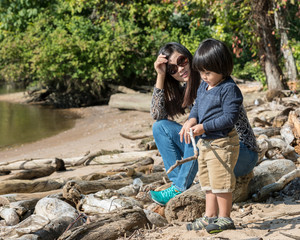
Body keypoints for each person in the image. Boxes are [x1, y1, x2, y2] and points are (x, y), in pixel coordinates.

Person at [149, 42, 258, 207]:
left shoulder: (215, 82)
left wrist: (193, 123)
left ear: (189, 57)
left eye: (182, 61)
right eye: (172, 69)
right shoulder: (188, 88)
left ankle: (179, 187)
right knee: (160, 127)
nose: (180, 69)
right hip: (210, 150)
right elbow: (157, 114)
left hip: (239, 151)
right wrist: (160, 75)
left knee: (199, 137)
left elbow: (225, 120)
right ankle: (179, 183)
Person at [183, 38, 243, 233]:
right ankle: (210, 216)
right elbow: (197, 107)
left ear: (222, 68)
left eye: (208, 72)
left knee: (221, 181)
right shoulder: (204, 86)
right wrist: (191, 120)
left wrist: (204, 127)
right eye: (201, 72)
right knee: (207, 182)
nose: (204, 76)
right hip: (205, 143)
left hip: (223, 142)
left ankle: (225, 218)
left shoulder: (229, 89)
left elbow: (229, 118)